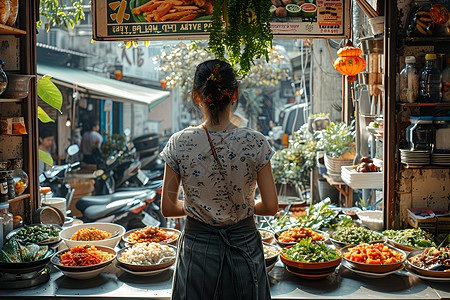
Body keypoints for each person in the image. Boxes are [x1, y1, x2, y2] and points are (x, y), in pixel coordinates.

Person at [160, 59, 278, 300]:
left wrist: (201, 206)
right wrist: (241, 205)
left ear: (197, 96)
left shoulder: (179, 142)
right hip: (244, 249)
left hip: (197, 253)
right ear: (234, 95)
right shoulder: (256, 142)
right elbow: (270, 206)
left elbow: (168, 208)